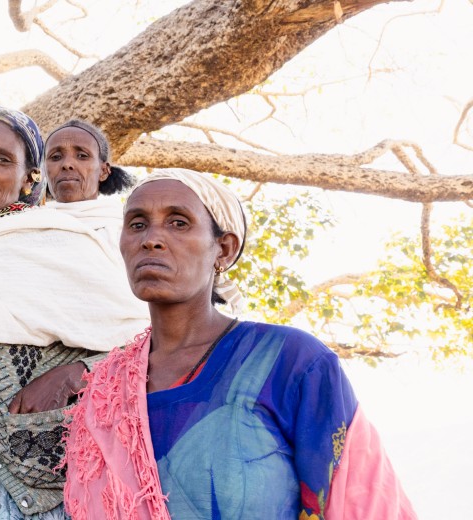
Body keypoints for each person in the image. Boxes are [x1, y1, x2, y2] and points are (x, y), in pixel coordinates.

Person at [63, 168, 416, 520]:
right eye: (137, 224)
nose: (151, 239)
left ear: (224, 249)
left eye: (179, 223)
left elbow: (362, 502)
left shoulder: (288, 361)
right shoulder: (105, 390)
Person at [0, 108, 147, 519]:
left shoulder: (63, 242)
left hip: (33, 485)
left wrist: (75, 374)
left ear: (29, 177)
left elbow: (145, 340)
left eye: (3, 160)